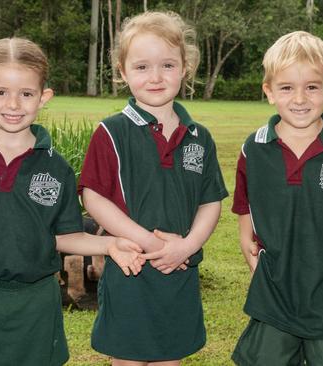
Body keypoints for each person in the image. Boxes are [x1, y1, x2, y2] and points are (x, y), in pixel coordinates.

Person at [0, 37, 145, 366]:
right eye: (1, 92)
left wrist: (111, 245)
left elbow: (64, 236)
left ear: (43, 97)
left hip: (36, 299)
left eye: (27, 94)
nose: (14, 104)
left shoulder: (57, 167)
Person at [79, 11, 228, 365]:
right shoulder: (111, 131)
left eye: (167, 65)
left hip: (179, 270)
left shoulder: (199, 137)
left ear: (185, 67)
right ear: (122, 70)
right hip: (130, 269)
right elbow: (93, 197)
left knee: (169, 358)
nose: (156, 77)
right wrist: (152, 243)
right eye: (142, 67)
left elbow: (211, 202)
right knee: (128, 358)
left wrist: (187, 246)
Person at [231, 31, 323, 366]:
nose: (300, 98)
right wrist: (244, 241)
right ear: (268, 92)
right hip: (275, 285)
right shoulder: (255, 147)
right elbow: (244, 203)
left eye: (311, 86)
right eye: (286, 88)